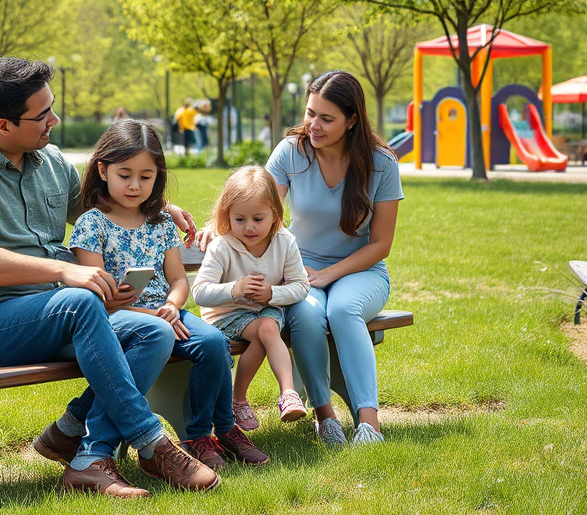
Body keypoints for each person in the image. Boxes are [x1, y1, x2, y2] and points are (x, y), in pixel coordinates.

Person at [0, 57, 218, 498]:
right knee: (80, 301)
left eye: (52, 108)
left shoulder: (49, 161)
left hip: (56, 313)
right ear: (2, 125)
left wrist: (155, 208)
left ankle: (81, 448)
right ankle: (151, 442)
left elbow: (103, 209)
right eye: (42, 115)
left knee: (154, 332)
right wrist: (64, 270)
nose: (54, 121)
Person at [70, 119, 269, 470]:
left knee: (214, 343)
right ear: (102, 170)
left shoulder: (159, 224)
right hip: (118, 318)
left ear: (157, 176)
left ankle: (210, 432)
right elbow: (96, 297)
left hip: (167, 315)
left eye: (146, 177)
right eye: (125, 175)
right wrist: (156, 316)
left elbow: (178, 280)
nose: (135, 185)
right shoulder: (92, 223)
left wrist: (173, 306)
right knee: (193, 338)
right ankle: (195, 436)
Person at [265, 71, 403, 447]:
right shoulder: (291, 152)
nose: (313, 125)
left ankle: (369, 424)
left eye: (327, 118)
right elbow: (259, 207)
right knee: (307, 314)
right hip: (301, 269)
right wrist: (218, 226)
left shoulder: (382, 164)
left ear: (352, 120)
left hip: (363, 270)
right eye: (310, 113)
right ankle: (325, 417)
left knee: (343, 310)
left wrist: (327, 275)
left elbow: (381, 244)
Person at [192, 166, 310, 431]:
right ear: (227, 215)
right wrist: (235, 288)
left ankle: (284, 395)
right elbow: (199, 292)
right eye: (240, 219)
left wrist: (272, 293)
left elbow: (301, 285)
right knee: (265, 330)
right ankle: (243, 398)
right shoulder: (222, 246)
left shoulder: (284, 242)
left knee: (266, 328)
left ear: (275, 215)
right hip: (226, 315)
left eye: (258, 218)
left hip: (265, 310)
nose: (249, 227)